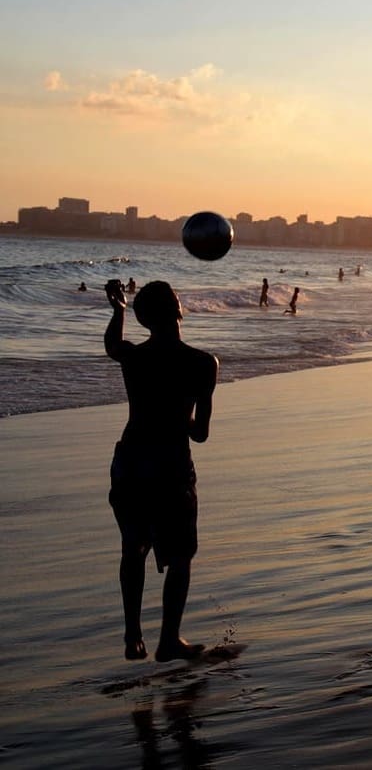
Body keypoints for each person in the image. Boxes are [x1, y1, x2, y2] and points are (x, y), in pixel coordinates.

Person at [104, 279, 218, 662]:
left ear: (144, 320)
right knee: (181, 555)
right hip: (170, 465)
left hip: (132, 460)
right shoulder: (203, 363)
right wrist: (179, 412)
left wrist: (118, 309)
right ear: (179, 309)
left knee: (132, 547)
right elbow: (200, 434)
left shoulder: (135, 358)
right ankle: (169, 638)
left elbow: (112, 347)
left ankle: (133, 634)